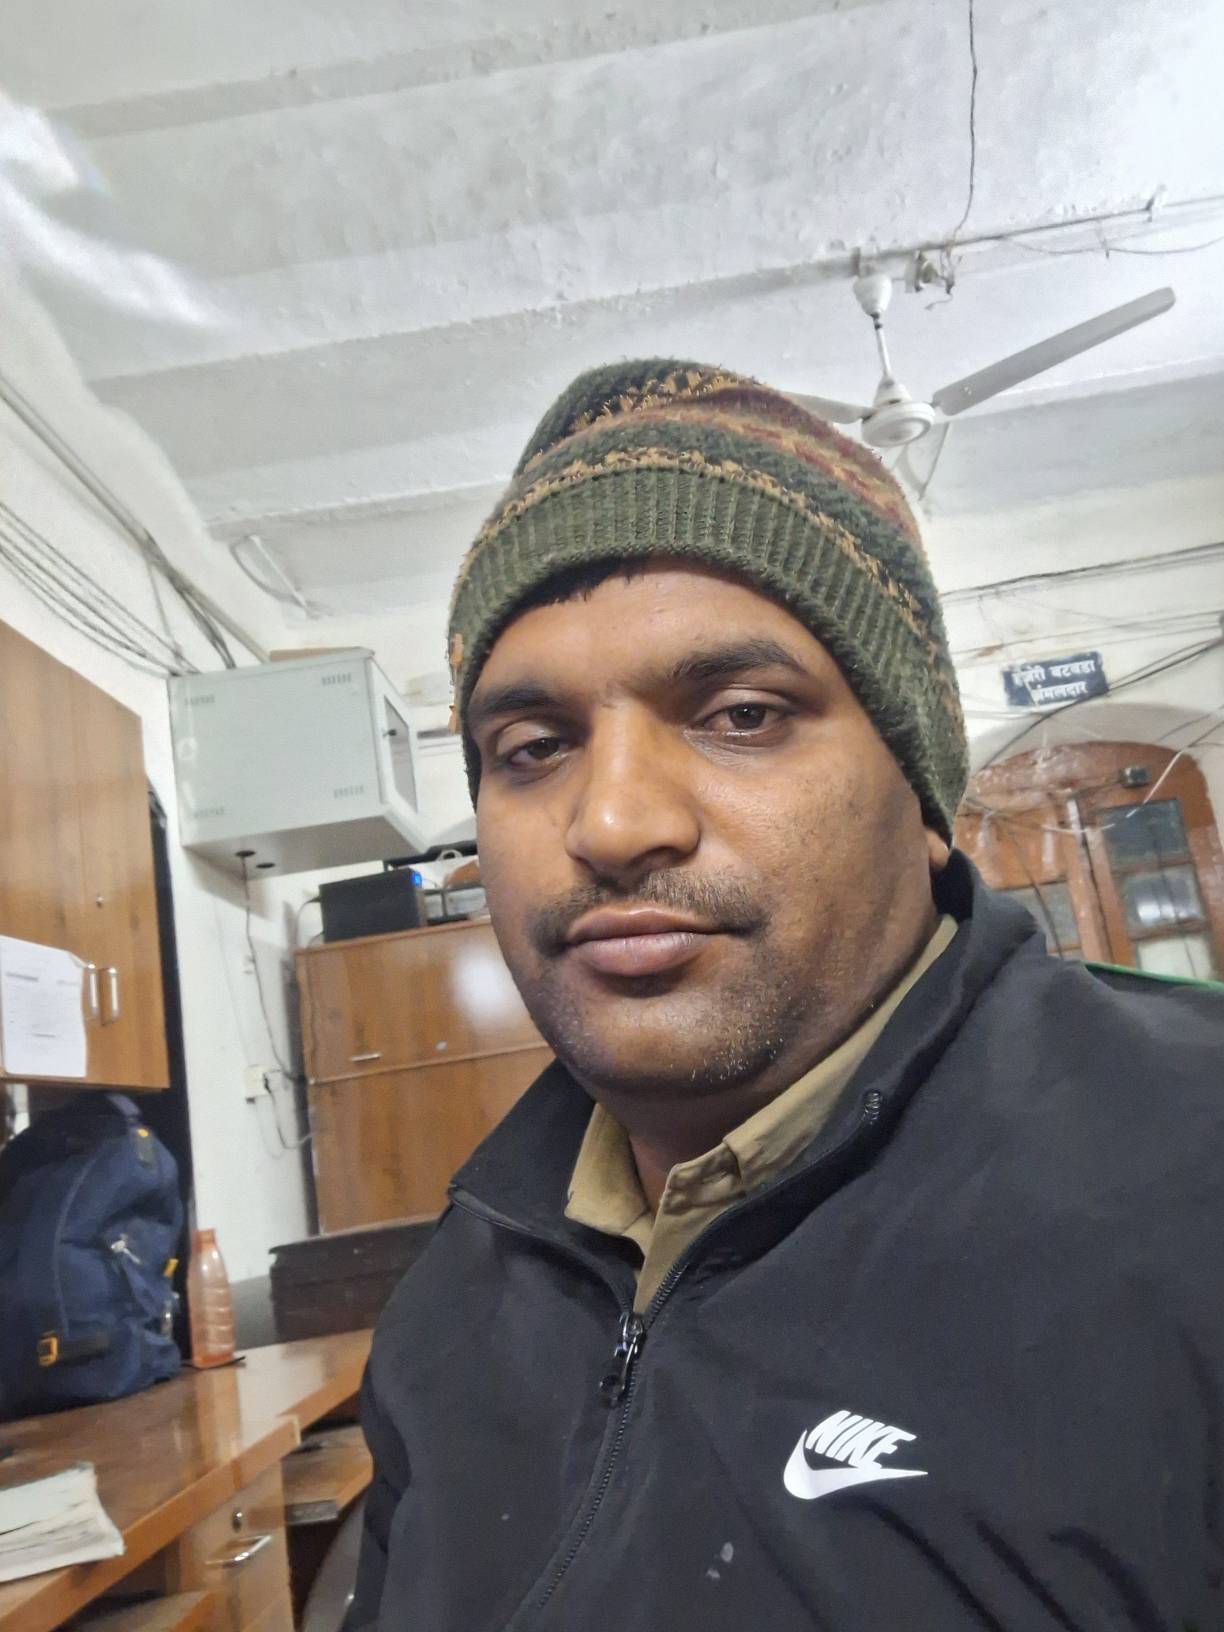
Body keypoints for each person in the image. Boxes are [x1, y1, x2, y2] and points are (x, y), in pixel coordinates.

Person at [345, 361, 1224, 1631]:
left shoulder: (1192, 1189)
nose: (611, 822)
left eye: (742, 715)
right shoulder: (449, 1306)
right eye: (532, 748)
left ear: (920, 791)